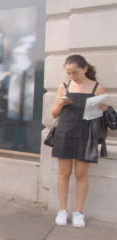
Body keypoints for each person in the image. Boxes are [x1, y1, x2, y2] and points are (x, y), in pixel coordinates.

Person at [51, 54, 107, 228]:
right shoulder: (65, 86)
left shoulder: (97, 88)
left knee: (81, 174)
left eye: (75, 72)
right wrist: (62, 104)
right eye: (69, 73)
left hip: (85, 134)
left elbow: (99, 119)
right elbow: (54, 113)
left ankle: (79, 212)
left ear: (85, 69)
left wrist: (103, 110)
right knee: (64, 173)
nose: (72, 76)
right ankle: (62, 210)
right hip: (65, 132)